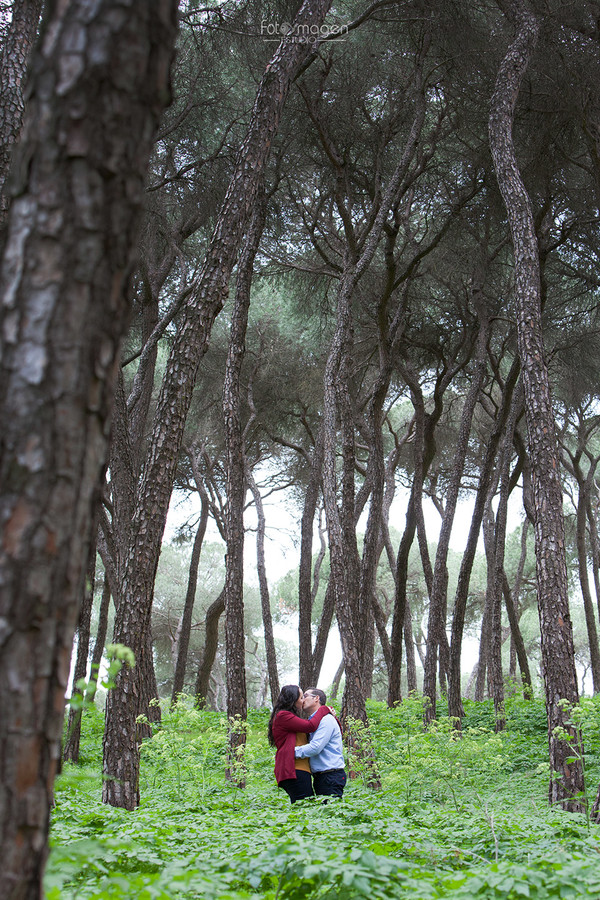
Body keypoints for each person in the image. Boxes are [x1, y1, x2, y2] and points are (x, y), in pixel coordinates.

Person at [267, 684, 332, 803]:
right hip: (294, 770)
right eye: (301, 697)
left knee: (305, 807)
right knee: (304, 808)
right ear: (293, 699)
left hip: (300, 770)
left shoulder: (289, 718)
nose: (303, 701)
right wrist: (324, 709)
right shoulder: (283, 715)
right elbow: (310, 726)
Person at [294, 688, 346, 799]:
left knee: (331, 813)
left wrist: (290, 752)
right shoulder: (315, 721)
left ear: (316, 698)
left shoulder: (326, 720)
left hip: (330, 776)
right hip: (321, 777)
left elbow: (315, 747)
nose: (302, 700)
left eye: (305, 696)